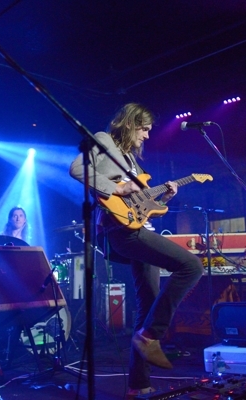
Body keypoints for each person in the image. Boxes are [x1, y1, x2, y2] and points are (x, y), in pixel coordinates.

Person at [69, 103, 204, 399]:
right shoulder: (104, 140)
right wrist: (116, 189)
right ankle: (150, 335)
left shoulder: (132, 161)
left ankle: (138, 385)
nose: (146, 136)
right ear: (129, 124)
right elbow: (77, 169)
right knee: (192, 266)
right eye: (144, 129)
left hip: (139, 228)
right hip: (122, 232)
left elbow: (142, 204)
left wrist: (164, 197)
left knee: (148, 303)